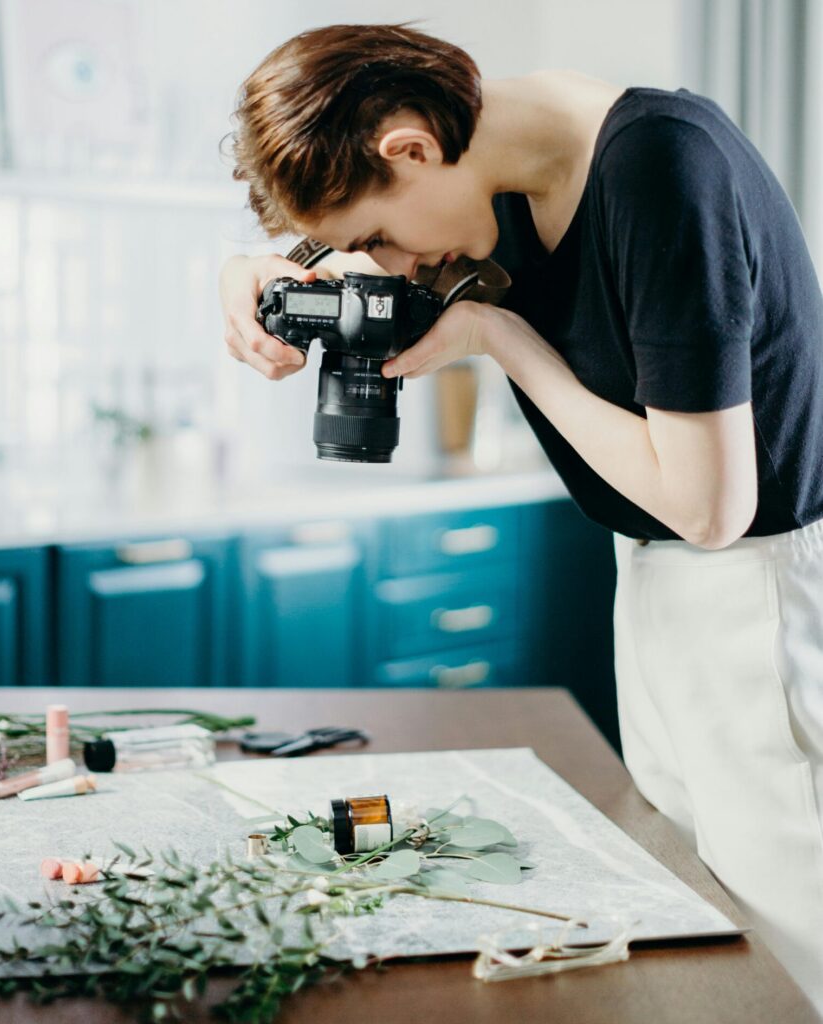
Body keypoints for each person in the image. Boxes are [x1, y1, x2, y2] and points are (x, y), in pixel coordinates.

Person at [219, 24, 823, 1009]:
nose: (387, 266)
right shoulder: (487, 182)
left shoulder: (663, 168)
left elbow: (712, 506)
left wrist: (501, 341)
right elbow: (325, 238)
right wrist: (245, 269)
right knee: (703, 943)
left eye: (376, 239)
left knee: (795, 960)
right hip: (652, 582)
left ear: (412, 147)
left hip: (757, 595)